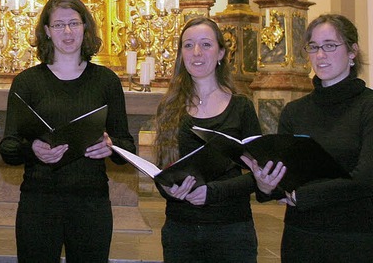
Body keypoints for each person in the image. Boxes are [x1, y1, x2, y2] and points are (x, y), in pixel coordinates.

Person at [0, 0, 136, 263]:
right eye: (59, 25)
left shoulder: (106, 81)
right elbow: (8, 147)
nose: (68, 31)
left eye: (74, 23)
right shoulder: (27, 82)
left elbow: (127, 146)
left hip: (90, 200)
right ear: (47, 31)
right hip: (39, 200)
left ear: (85, 27)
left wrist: (111, 147)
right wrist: (33, 150)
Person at [242, 14, 373, 262]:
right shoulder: (295, 111)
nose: (321, 55)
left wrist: (303, 196)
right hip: (301, 237)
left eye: (330, 45)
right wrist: (266, 185)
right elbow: (286, 176)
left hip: (355, 238)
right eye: (313, 47)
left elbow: (366, 178)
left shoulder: (368, 106)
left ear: (353, 51)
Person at [153, 17, 260, 262]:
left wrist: (212, 193)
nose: (196, 52)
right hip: (180, 230)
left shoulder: (241, 107)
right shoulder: (169, 107)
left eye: (206, 44)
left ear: (221, 52)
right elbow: (162, 170)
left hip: (231, 229)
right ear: (181, 54)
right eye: (188, 45)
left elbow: (259, 175)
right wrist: (168, 188)